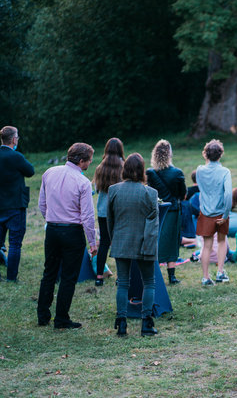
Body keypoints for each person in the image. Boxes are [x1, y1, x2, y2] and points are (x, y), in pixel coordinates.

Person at [37, 143, 97, 329]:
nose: (90, 164)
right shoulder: (83, 182)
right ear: (81, 161)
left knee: (49, 272)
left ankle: (43, 315)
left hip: (53, 229)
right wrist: (93, 241)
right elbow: (87, 216)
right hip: (72, 232)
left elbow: (41, 204)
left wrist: (51, 220)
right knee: (69, 277)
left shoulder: (49, 172)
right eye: (89, 161)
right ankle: (62, 318)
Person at [107, 153, 159, 337]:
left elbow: (109, 220)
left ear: (125, 169)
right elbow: (154, 224)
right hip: (144, 243)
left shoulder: (113, 190)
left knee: (123, 283)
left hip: (121, 240)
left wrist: (114, 237)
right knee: (149, 282)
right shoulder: (151, 193)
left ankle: (121, 323)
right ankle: (146, 324)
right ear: (142, 170)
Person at [146, 140, 186, 285]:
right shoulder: (177, 173)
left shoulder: (150, 173)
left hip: (155, 210)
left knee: (155, 241)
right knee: (171, 242)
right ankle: (172, 277)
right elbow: (183, 194)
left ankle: (153, 274)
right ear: (169, 154)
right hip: (173, 210)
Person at [195, 139, 232, 285]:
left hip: (205, 212)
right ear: (220, 154)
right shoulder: (225, 172)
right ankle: (220, 272)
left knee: (206, 245)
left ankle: (205, 277)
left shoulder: (199, 170)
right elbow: (228, 195)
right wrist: (225, 215)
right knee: (222, 241)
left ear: (205, 154)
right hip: (220, 212)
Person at [0, 126, 34, 281]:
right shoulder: (16, 157)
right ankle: (11, 277)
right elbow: (30, 171)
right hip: (15, 205)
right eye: (17, 137)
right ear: (13, 139)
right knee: (14, 244)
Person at [92, 137, 124, 287]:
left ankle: (99, 276)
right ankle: (120, 277)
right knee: (119, 243)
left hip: (103, 211)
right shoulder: (123, 167)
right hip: (119, 211)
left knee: (104, 243)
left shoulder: (100, 168)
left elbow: (97, 189)